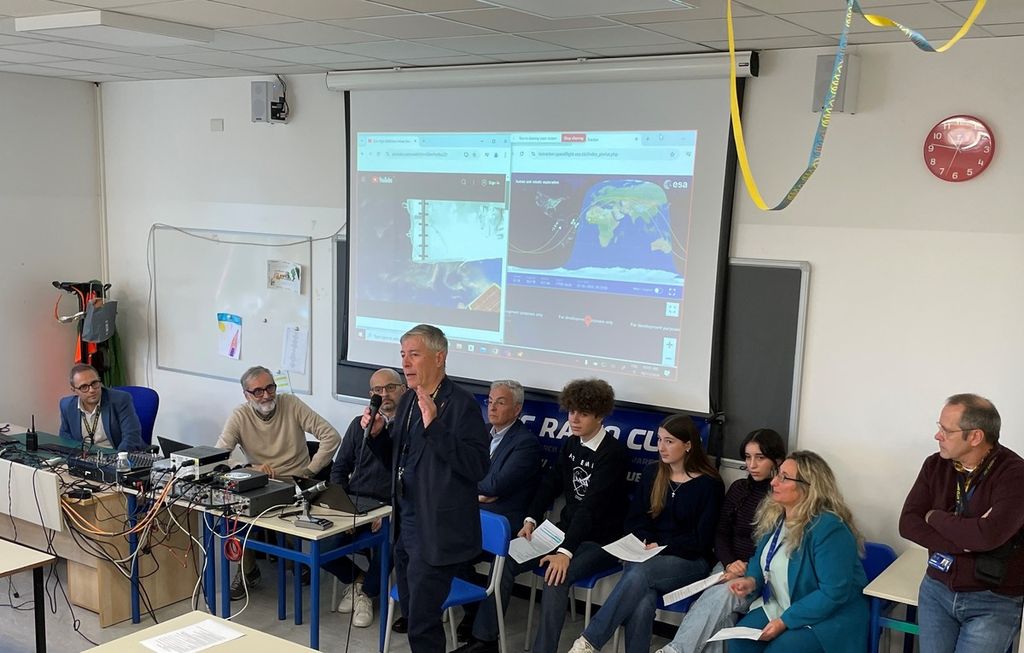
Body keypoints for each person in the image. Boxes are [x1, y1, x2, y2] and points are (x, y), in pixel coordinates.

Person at [457, 377, 629, 653]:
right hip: (566, 530)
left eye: (583, 414)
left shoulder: (614, 454)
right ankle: (484, 640)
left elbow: (590, 508)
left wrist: (565, 553)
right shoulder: (571, 444)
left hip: (601, 540)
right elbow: (549, 485)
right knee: (506, 560)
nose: (574, 419)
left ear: (600, 416)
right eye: (571, 411)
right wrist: (531, 520)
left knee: (555, 577)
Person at [363, 324, 490, 653]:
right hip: (406, 522)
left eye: (414, 355)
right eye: (403, 355)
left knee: (422, 620)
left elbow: (477, 467)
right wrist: (377, 436)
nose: (405, 363)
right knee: (413, 613)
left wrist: (435, 426)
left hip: (438, 529)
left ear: (439, 357)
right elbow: (398, 461)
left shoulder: (461, 405)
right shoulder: (407, 400)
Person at [567, 414, 724, 653]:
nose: (661, 447)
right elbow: (635, 520)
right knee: (643, 598)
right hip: (647, 556)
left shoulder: (709, 484)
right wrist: (645, 542)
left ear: (688, 445)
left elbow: (701, 540)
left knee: (640, 573)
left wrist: (661, 545)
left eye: (669, 441)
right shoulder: (653, 473)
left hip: (689, 561)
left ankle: (589, 641)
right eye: (659, 440)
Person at [899, 393, 1024, 653]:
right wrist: (966, 541)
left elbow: (986, 536)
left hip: (992, 600)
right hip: (936, 590)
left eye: (946, 430)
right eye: (939, 427)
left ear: (975, 436)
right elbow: (908, 523)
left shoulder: (1015, 474)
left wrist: (934, 517)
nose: (937, 436)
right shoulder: (935, 465)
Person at [216, 365, 342, 600]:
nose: (266, 395)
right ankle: (247, 571)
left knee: (282, 517)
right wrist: (248, 468)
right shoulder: (240, 415)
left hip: (295, 484)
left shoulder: (291, 404)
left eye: (270, 388)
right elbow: (219, 456)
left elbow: (331, 436)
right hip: (260, 483)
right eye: (258, 391)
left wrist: (309, 472)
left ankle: (294, 560)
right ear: (246, 395)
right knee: (237, 513)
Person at [657, 428, 787, 653]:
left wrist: (745, 568)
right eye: (748, 457)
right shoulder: (739, 488)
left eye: (760, 458)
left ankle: (675, 650)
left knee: (723, 595)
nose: (752, 465)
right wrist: (729, 564)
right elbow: (721, 533)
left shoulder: (781, 497)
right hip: (727, 564)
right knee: (721, 615)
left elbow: (775, 546)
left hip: (759, 573)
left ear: (777, 461)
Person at [726, 450, 868, 653]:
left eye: (784, 477)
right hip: (783, 605)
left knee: (780, 650)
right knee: (739, 641)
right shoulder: (776, 516)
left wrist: (785, 621)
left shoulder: (829, 528)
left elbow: (833, 592)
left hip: (829, 617)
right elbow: (761, 559)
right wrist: (751, 581)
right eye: (777, 474)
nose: (773, 482)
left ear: (809, 487)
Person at [457, 379, 541, 643]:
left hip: (507, 523)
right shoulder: (481, 432)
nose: (492, 408)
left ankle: (483, 638)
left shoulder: (526, 443)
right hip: (473, 515)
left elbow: (496, 485)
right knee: (444, 547)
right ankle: (475, 609)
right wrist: (477, 491)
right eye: (490, 401)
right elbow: (457, 471)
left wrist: (473, 484)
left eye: (500, 403)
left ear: (517, 409)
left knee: (474, 554)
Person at [328, 368, 405, 628]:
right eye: (378, 390)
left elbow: (412, 480)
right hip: (356, 504)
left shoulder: (409, 427)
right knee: (323, 545)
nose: (385, 395)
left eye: (391, 388)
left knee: (391, 544)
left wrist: (390, 509)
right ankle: (357, 580)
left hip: (390, 507)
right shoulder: (358, 425)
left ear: (403, 390)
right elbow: (339, 469)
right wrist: (341, 505)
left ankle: (367, 595)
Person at [59, 363, 145, 452]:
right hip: (85, 457)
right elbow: (65, 438)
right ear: (74, 390)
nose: (92, 390)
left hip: (115, 454)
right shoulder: (67, 406)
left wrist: (117, 458)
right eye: (84, 387)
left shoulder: (120, 400)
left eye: (94, 383)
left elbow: (131, 437)